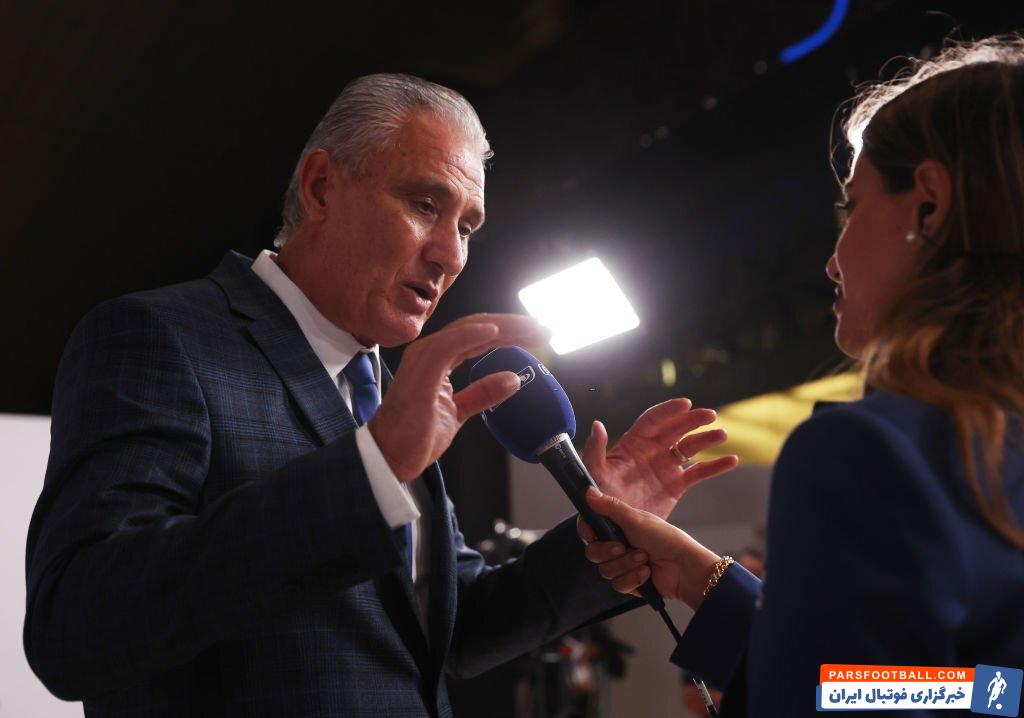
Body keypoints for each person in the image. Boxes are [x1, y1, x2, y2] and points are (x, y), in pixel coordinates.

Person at [23, 73, 739, 717]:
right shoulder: (160, 337)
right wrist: (372, 467)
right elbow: (75, 627)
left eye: (466, 226)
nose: (451, 254)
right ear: (320, 188)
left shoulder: (386, 392)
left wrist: (600, 535)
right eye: (425, 203)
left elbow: (451, 632)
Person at [579, 37, 1024, 716]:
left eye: (853, 206)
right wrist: (704, 579)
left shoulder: (868, 454)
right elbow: (984, 693)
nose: (831, 261)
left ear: (928, 205)